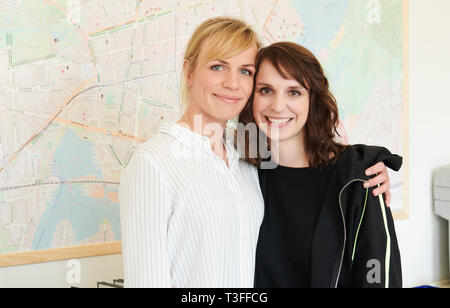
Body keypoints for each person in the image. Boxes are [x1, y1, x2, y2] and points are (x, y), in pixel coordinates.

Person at [119, 17, 393, 288]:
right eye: (217, 67)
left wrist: (361, 170)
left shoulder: (246, 159)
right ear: (189, 72)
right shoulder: (153, 163)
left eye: (245, 72)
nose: (232, 83)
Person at [238, 42, 402, 288]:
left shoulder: (359, 176)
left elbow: (378, 277)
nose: (278, 105)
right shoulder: (241, 171)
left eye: (294, 92)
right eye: (265, 90)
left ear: (312, 99)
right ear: (251, 98)